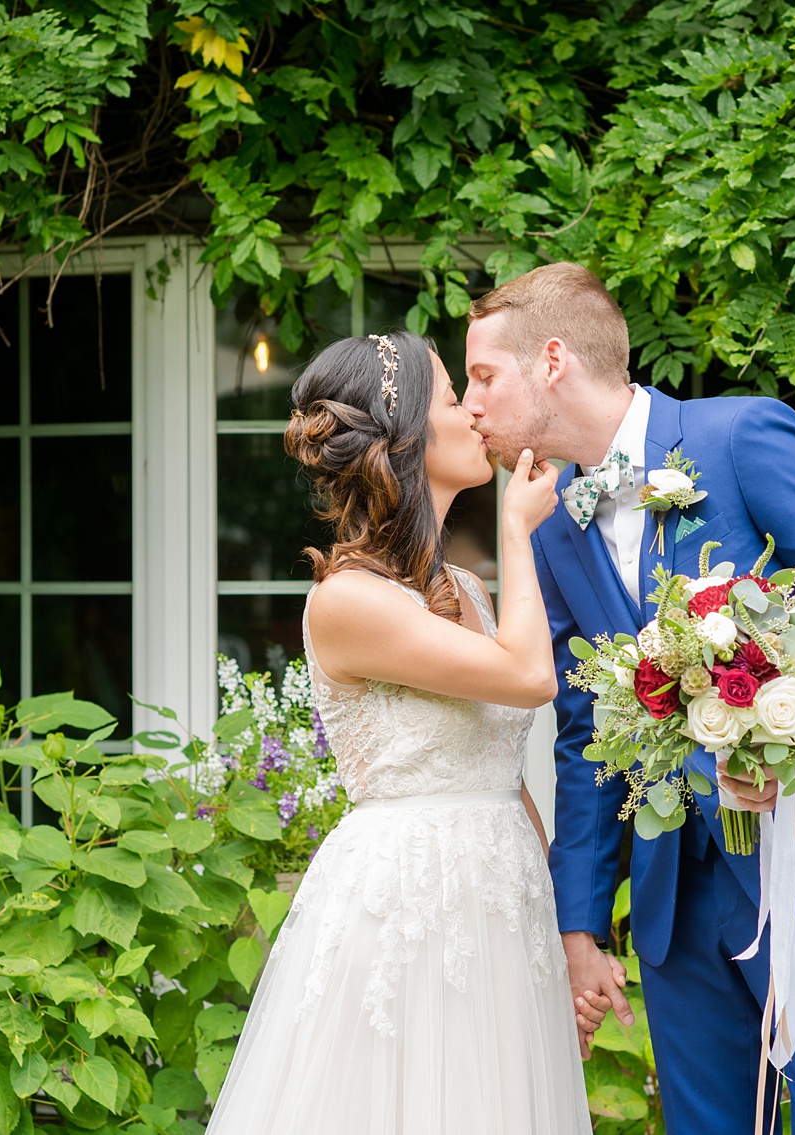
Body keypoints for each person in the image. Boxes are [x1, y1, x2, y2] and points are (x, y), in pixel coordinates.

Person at [462, 263, 795, 1135]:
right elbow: (587, 733)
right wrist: (580, 919)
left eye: (484, 375)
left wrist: (785, 728)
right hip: (678, 908)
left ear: (555, 360)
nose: (470, 403)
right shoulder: (557, 523)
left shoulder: (742, 436)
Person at [204, 330, 592, 1135]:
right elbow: (531, 675)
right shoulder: (348, 601)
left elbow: (505, 776)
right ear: (409, 435)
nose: (476, 412)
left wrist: (556, 936)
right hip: (405, 910)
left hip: (500, 905)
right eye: (455, 398)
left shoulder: (471, 591)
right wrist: (519, 528)